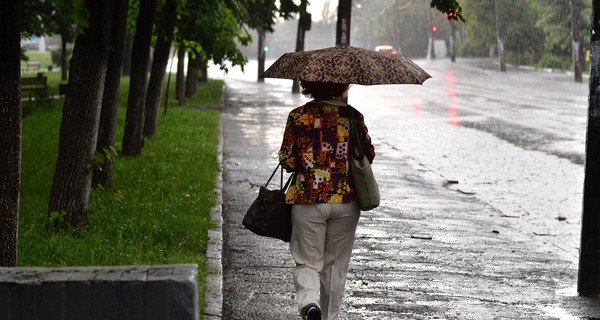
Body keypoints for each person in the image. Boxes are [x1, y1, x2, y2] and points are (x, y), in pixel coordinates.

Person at [278, 80, 375, 320]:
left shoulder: (298, 116)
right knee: (334, 268)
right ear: (342, 86)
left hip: (307, 199)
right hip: (345, 200)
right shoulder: (353, 117)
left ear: (309, 86)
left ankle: (310, 305)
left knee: (307, 263)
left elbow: (288, 161)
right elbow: (368, 155)